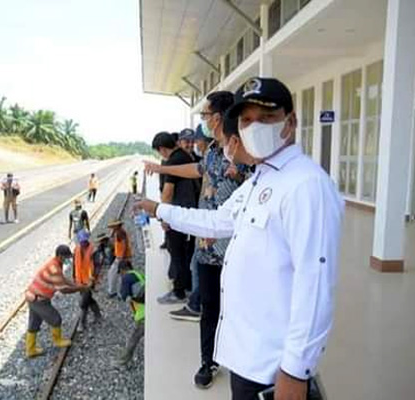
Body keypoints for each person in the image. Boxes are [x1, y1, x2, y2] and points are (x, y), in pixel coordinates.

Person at [136, 77, 344, 400]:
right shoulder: (262, 179)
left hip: (274, 370)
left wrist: (296, 370)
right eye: (247, 119)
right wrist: (161, 210)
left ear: (290, 123)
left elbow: (315, 283)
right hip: (248, 360)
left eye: (266, 117)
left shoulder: (306, 185)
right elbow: (216, 221)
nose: (253, 126)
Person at [145, 91, 245, 388]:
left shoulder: (246, 153)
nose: (203, 120)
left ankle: (242, 360)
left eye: (205, 115)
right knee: (210, 306)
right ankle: (208, 361)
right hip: (207, 246)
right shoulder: (213, 150)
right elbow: (197, 170)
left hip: (236, 248)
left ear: (219, 117)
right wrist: (161, 168)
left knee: (239, 306)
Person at [151, 132, 199, 304]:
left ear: (162, 149)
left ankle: (179, 292)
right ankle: (186, 286)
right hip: (190, 212)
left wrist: (163, 216)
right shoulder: (185, 156)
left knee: (177, 252)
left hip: (179, 215)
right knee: (186, 252)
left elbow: (168, 191)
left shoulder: (173, 161)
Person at [25, 244, 88, 358]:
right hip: (38, 300)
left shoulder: (55, 264)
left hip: (33, 296)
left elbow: (63, 279)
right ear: (59, 256)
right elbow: (63, 290)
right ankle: (57, 340)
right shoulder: (54, 269)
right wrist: (80, 288)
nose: (67, 260)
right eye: (66, 257)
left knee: (34, 324)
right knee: (56, 319)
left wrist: (76, 284)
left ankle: (31, 350)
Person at [115, 260, 145, 366]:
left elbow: (124, 296)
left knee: (134, 337)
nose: (121, 275)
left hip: (142, 313)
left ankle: (123, 360)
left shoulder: (126, 278)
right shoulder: (139, 274)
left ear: (123, 270)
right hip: (149, 308)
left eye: (120, 272)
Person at [73, 230, 102, 331]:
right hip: (79, 281)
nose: (83, 243)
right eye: (81, 241)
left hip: (89, 281)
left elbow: (97, 266)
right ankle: (98, 314)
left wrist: (93, 279)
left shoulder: (93, 250)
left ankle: (82, 323)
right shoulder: (76, 249)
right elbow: (74, 265)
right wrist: (74, 278)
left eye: (84, 241)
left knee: (83, 302)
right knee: (88, 300)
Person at [106, 219, 132, 298]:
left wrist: (122, 258)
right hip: (122, 257)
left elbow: (124, 245)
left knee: (112, 273)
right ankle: (123, 292)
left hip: (121, 257)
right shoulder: (118, 232)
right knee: (122, 275)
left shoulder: (120, 233)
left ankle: (112, 292)